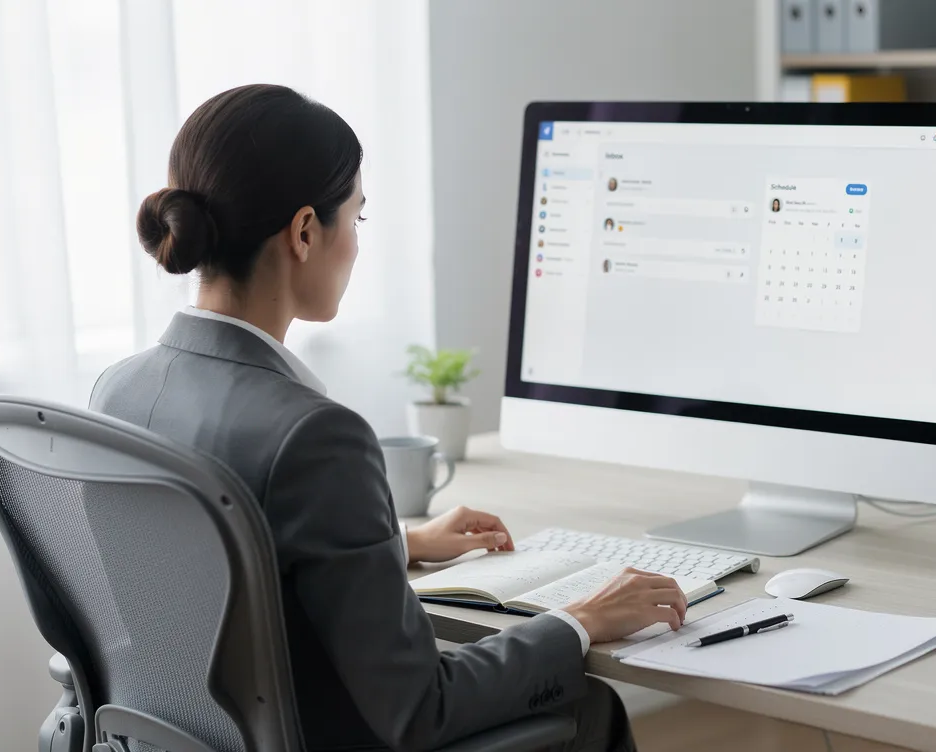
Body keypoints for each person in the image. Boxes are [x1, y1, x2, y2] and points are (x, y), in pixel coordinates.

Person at [91, 84, 684, 752]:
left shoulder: (118, 393)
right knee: (591, 708)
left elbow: (219, 579)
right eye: (358, 220)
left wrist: (397, 545)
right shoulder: (315, 436)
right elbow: (418, 710)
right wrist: (581, 620)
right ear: (306, 232)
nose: (358, 245)